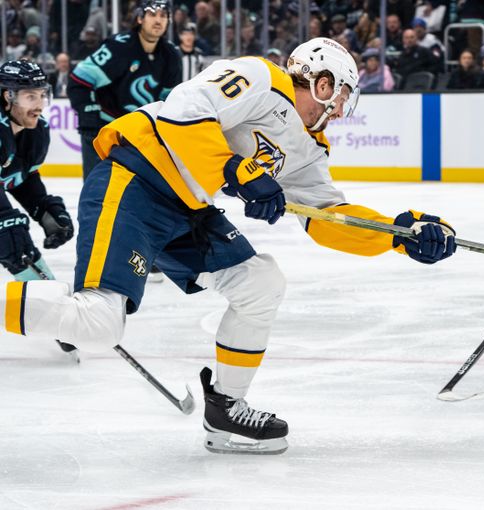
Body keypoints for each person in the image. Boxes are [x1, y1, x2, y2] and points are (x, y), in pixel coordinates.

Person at [0, 38, 457, 454]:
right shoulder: (262, 77)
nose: (340, 111)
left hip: (187, 209)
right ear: (321, 82)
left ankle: (226, 410)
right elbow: (185, 108)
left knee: (260, 282)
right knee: (99, 323)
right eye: (340, 98)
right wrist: (237, 172)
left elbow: (328, 218)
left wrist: (401, 234)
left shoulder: (308, 149)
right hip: (136, 179)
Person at [0, 60, 76, 357]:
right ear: (8, 96)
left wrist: (43, 209)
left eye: (42, 95)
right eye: (31, 97)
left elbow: (22, 177)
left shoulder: (35, 131)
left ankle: (59, 319)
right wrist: (8, 222)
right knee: (13, 242)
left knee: (18, 248)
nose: (40, 104)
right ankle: (59, 319)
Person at [68, 0, 181, 180]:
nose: (158, 20)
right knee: (97, 187)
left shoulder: (171, 56)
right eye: (152, 14)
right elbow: (79, 79)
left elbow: (168, 100)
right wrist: (87, 112)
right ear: (140, 19)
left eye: (163, 15)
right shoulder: (119, 47)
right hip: (105, 128)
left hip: (138, 133)